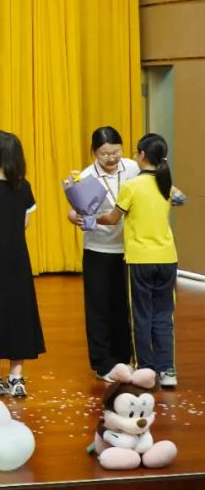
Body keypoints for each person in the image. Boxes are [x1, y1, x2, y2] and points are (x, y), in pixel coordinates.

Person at [97, 133, 179, 389]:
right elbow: (180, 199)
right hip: (168, 258)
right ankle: (168, 370)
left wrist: (89, 217)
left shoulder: (131, 186)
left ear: (142, 155)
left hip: (140, 260)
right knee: (164, 316)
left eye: (136, 152)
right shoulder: (166, 185)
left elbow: (112, 219)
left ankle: (146, 368)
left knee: (140, 316)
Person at [0, 131, 45, 397]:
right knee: (18, 312)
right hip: (19, 259)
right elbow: (25, 222)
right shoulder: (23, 186)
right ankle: (16, 378)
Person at [68, 126, 138, 381]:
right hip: (98, 248)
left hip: (130, 247)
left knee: (124, 306)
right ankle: (103, 364)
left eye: (116, 152)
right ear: (94, 152)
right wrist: (75, 216)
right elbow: (75, 210)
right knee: (99, 307)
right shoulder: (86, 177)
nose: (111, 158)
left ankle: (124, 359)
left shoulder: (132, 168)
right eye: (104, 154)